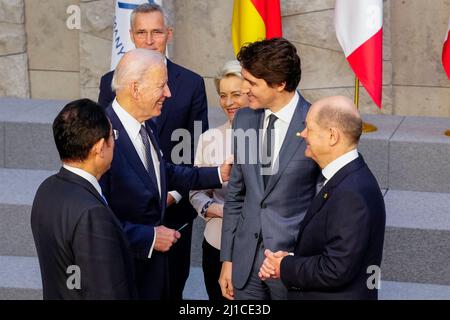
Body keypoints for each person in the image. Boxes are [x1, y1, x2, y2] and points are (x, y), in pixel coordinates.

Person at [99, 48, 230, 300]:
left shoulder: (147, 123)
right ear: (135, 89)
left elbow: (162, 172)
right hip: (125, 273)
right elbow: (97, 220)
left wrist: (217, 173)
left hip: (154, 270)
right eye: (162, 86)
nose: (168, 94)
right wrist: (150, 237)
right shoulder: (103, 139)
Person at [219, 38, 320, 300]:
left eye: (251, 83)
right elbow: (236, 195)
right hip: (243, 264)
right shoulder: (244, 118)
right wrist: (227, 259)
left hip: (291, 265)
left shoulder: (316, 122)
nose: (244, 89)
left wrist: (300, 260)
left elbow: (324, 205)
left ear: (280, 84)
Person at [258, 96, 386, 300]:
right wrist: (291, 259)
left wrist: (285, 266)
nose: (302, 134)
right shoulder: (347, 179)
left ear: (332, 136)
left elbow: (336, 268)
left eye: (309, 128)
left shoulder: (351, 193)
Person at [30, 99, 136, 300]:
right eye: (112, 136)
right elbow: (106, 292)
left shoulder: (46, 188)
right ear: (99, 147)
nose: (114, 142)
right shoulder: (92, 214)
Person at [189, 60, 248, 300]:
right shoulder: (209, 139)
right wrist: (225, 211)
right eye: (223, 95)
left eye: (236, 94)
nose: (228, 102)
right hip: (215, 243)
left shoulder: (271, 138)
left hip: (258, 250)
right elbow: (195, 192)